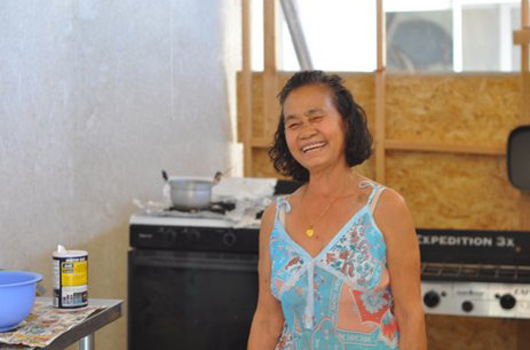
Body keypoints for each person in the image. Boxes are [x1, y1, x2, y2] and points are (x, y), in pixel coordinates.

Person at [247, 71, 426, 350]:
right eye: (293, 124)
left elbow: (410, 315)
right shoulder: (276, 217)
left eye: (317, 118)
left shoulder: (385, 207)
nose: (306, 131)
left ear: (346, 123)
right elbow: (267, 320)